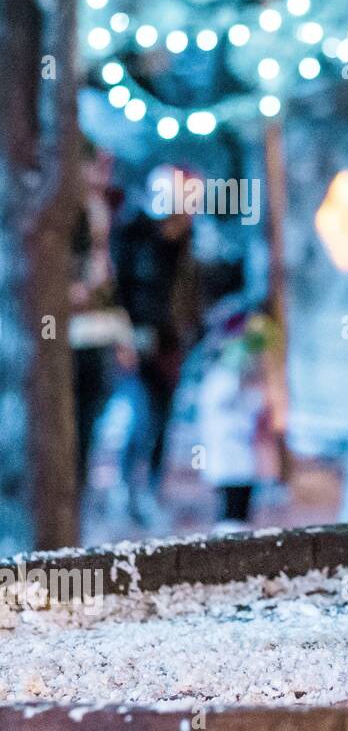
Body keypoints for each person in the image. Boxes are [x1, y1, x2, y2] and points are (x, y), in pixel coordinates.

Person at [111, 166, 199, 523]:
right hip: (138, 341)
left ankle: (150, 489)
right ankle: (126, 488)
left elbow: (188, 291)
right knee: (143, 415)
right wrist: (126, 336)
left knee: (164, 418)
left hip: (172, 342)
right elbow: (121, 289)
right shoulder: (133, 233)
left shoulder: (183, 239)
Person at [69, 149, 133, 489]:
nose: (103, 174)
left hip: (98, 330)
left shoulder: (105, 208)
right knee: (73, 417)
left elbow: (109, 278)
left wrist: (122, 330)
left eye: (108, 166)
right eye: (97, 165)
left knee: (94, 410)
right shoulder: (65, 212)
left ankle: (78, 493)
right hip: (70, 332)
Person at [195, 299, 282, 529]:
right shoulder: (222, 378)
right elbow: (221, 407)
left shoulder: (237, 377)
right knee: (230, 510)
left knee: (241, 507)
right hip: (229, 454)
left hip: (241, 456)